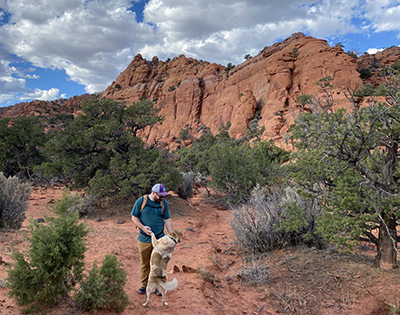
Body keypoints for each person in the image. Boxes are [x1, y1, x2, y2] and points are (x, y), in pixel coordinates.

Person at [131, 183, 174, 295]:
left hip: (160, 239)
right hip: (144, 239)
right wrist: (142, 227)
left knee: (159, 264)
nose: (162, 198)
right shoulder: (141, 201)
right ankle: (144, 286)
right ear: (154, 193)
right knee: (145, 263)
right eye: (161, 196)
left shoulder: (164, 203)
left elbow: (167, 220)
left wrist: (172, 236)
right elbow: (134, 217)